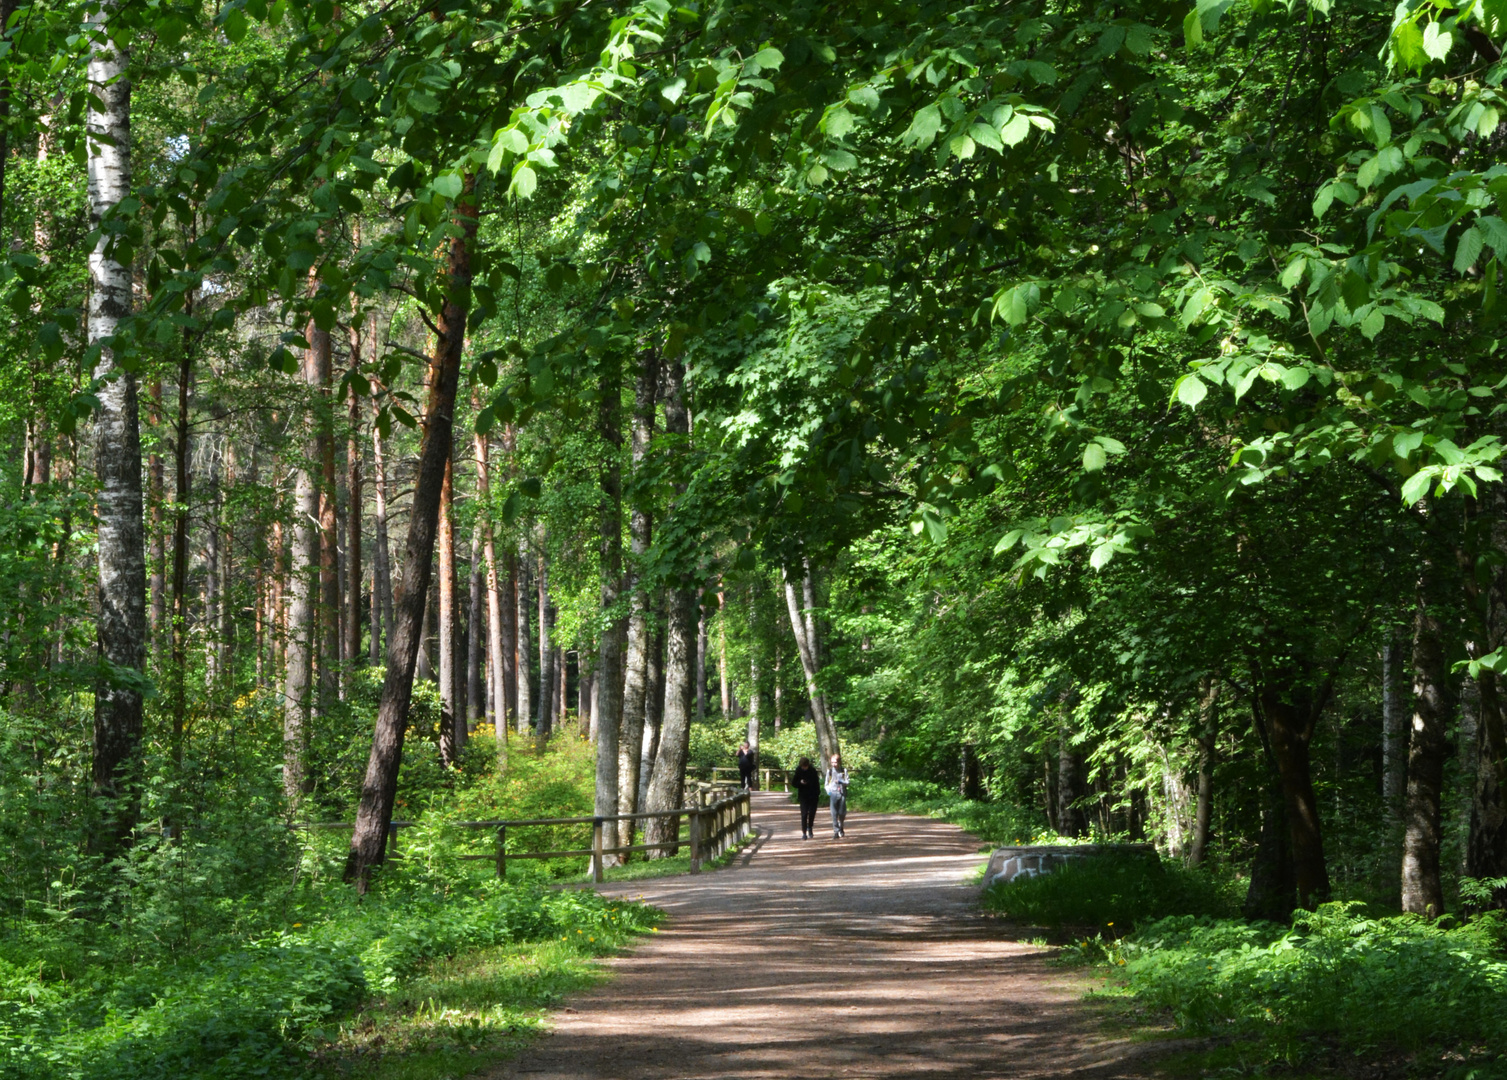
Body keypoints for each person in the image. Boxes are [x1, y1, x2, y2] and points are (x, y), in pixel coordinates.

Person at [792, 756, 821, 838]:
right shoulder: (798, 771)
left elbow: (816, 783)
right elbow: (794, 783)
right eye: (803, 766)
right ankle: (804, 833)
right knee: (804, 814)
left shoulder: (813, 771)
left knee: (812, 813)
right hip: (803, 795)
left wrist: (817, 793)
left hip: (813, 795)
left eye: (805, 766)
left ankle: (810, 827)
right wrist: (800, 782)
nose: (804, 768)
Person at [825, 753, 849, 839]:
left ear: (839, 762)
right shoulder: (830, 771)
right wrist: (829, 791)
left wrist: (841, 782)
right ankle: (835, 831)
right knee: (834, 814)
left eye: (835, 762)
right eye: (832, 762)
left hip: (842, 794)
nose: (833, 764)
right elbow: (826, 784)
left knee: (842, 813)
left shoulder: (844, 770)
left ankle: (841, 828)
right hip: (833, 794)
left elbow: (848, 782)